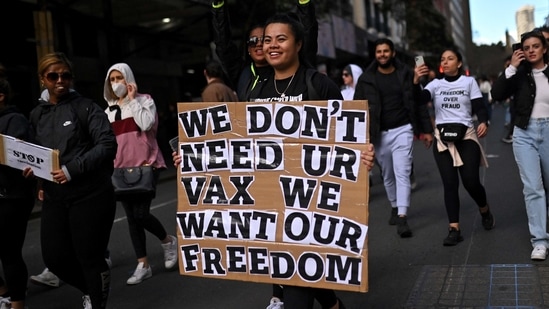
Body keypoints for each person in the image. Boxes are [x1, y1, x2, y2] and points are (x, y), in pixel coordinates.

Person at [246, 12, 349, 309]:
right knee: (303, 277)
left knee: (296, 290)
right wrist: (196, 159)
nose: (272, 46)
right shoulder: (255, 89)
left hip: (310, 205)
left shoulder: (319, 85)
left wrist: (363, 153)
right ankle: (332, 305)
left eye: (281, 39)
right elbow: (240, 143)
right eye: (267, 40)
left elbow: (347, 137)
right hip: (270, 205)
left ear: (299, 44)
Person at [28, 52, 117, 309]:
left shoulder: (86, 107)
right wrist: (36, 176)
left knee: (90, 257)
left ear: (71, 78)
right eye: (53, 76)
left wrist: (71, 170)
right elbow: (36, 153)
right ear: (42, 79)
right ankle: (90, 291)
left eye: (65, 75)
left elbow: (108, 144)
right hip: (56, 197)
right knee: (55, 259)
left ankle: (96, 302)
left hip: (91, 195)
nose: (60, 80)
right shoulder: (37, 114)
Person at [103, 63, 178, 285]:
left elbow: (146, 125)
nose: (117, 83)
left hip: (147, 164)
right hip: (120, 169)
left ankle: (167, 241)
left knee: (141, 214)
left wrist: (133, 100)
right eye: (112, 79)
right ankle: (143, 264)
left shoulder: (145, 100)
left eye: (120, 78)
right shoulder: (109, 109)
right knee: (131, 218)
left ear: (129, 79)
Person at [353, 38, 434, 238]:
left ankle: (402, 216)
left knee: (402, 172)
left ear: (393, 53)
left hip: (403, 129)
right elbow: (357, 108)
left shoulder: (406, 73)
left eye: (386, 51)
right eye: (379, 51)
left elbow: (417, 102)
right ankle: (394, 205)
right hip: (378, 133)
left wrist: (426, 130)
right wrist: (358, 138)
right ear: (375, 54)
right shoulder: (366, 79)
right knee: (387, 175)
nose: (382, 54)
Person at [415, 48, 494, 246]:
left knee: (470, 181)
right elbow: (419, 100)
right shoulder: (435, 84)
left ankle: (484, 208)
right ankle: (454, 229)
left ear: (459, 63)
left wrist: (483, 121)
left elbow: (479, 106)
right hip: (442, 140)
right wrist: (416, 81)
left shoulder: (469, 82)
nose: (446, 62)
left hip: (466, 136)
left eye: (451, 58)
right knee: (450, 184)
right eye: (443, 59)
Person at [491, 30, 549, 260]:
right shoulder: (518, 74)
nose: (531, 50)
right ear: (521, 52)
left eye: (536, 46)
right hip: (524, 133)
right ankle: (540, 241)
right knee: (533, 188)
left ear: (544, 48)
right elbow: (496, 94)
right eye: (527, 47)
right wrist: (512, 67)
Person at [211, 0, 317, 101]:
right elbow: (223, 45)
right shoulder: (242, 74)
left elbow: (308, 37)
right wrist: (218, 7)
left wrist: (304, 4)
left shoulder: (289, 70)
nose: (259, 44)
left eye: (265, 39)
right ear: (248, 48)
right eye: (253, 40)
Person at [0, 78, 36, 309]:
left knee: (9, 251)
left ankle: (17, 303)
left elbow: (18, 156)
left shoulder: (15, 120)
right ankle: (4, 292)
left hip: (12, 198)